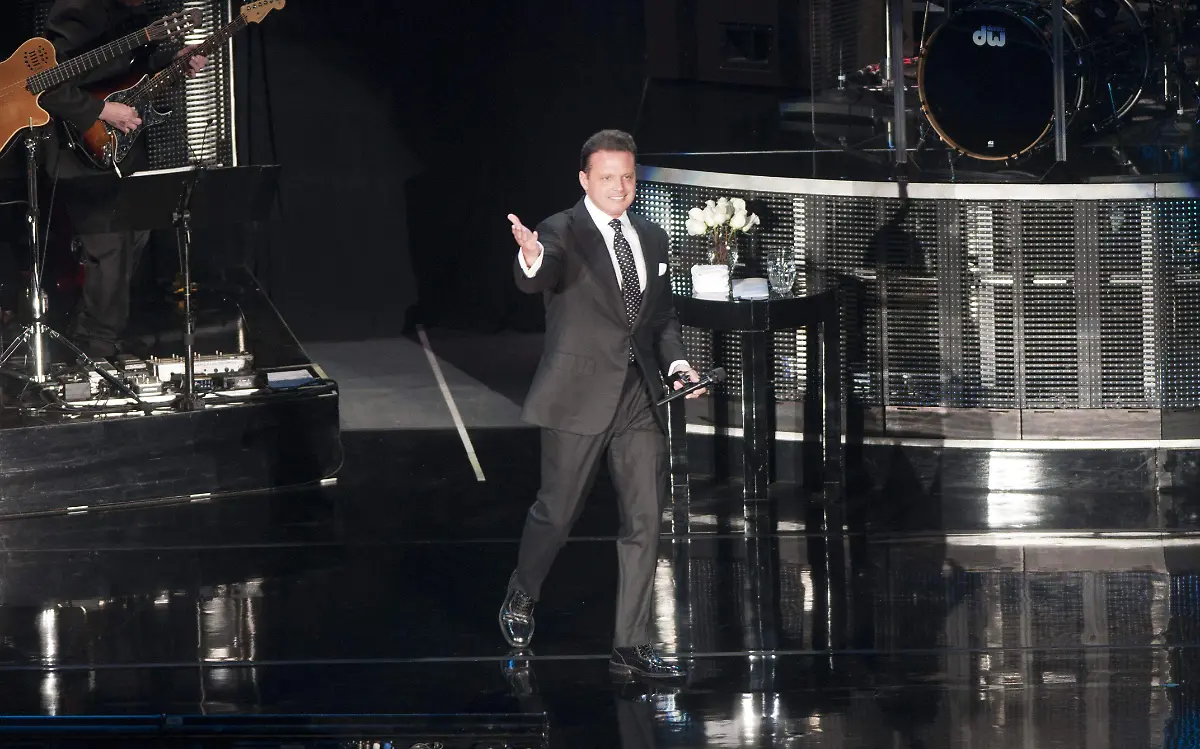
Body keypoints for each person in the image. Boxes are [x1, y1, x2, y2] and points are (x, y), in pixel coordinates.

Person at [500, 129, 705, 680]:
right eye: (607, 177)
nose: (619, 187)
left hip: (639, 396)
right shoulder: (560, 230)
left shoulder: (652, 235)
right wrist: (531, 256)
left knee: (645, 520)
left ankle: (630, 646)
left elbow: (661, 318)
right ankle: (523, 589)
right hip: (578, 396)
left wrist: (677, 365)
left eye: (627, 177)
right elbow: (540, 270)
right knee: (557, 513)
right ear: (585, 179)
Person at [39, 0, 207, 358]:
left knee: (137, 235)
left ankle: (90, 337)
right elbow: (45, 85)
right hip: (78, 148)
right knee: (109, 246)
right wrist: (101, 110)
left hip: (120, 149)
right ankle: (99, 347)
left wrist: (172, 60)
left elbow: (133, 66)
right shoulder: (76, 9)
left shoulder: (134, 13)